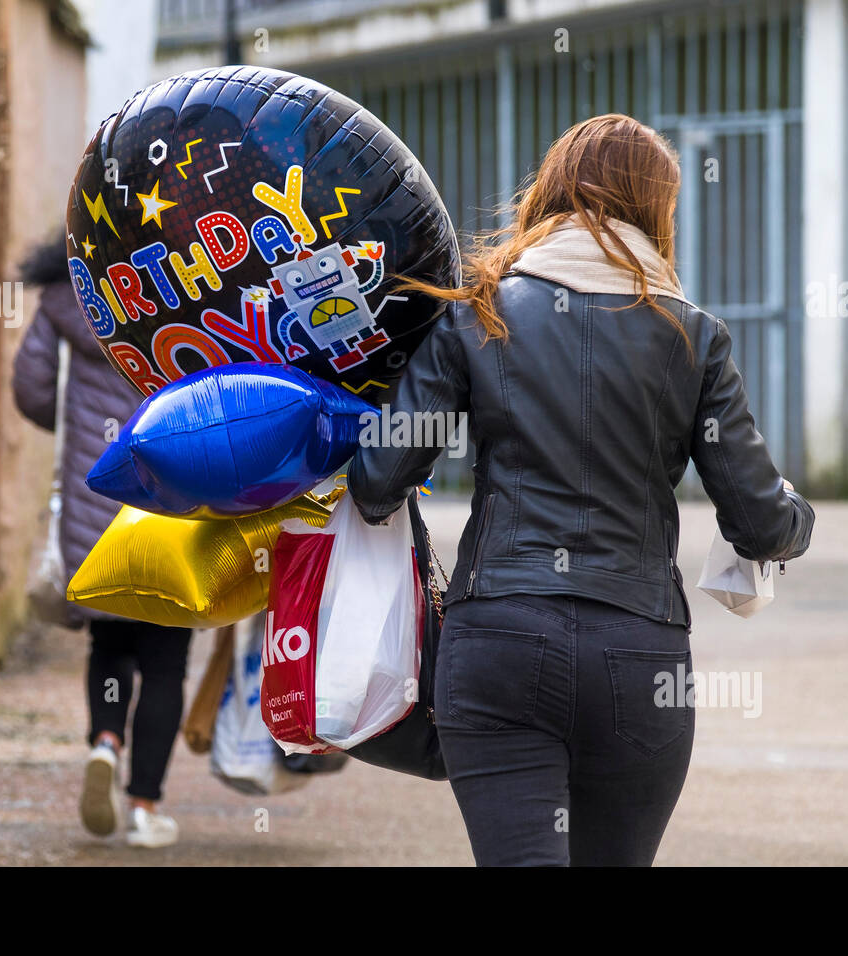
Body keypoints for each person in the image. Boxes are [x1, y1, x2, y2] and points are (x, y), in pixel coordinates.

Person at [348, 115, 814, 866]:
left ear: (552, 188)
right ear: (656, 210)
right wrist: (796, 517)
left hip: (498, 640)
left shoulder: (479, 311)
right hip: (639, 656)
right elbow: (760, 523)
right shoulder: (694, 337)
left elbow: (376, 482)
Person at [12, 239, 193, 849]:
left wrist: (82, 423)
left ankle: (106, 744)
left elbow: (33, 389)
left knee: (108, 639)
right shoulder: (193, 284)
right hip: (176, 496)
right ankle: (144, 808)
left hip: (95, 496)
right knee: (166, 658)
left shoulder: (71, 295)